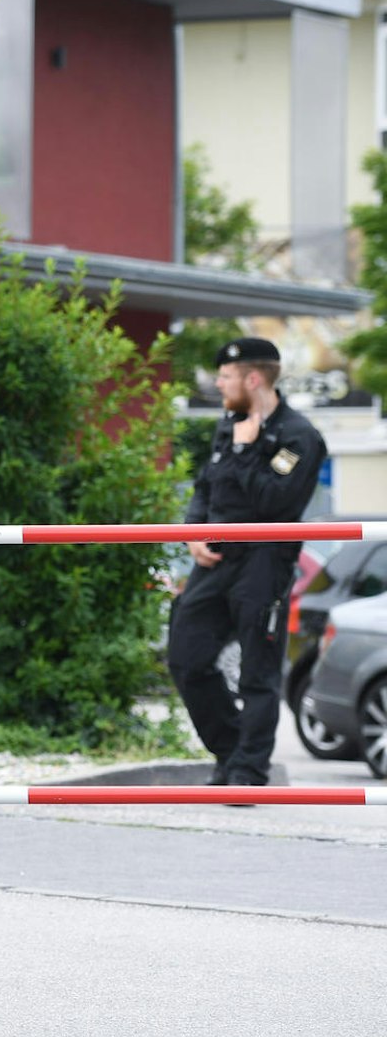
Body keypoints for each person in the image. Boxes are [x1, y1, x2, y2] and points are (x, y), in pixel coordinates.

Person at [169, 337, 326, 791]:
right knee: (186, 657)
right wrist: (193, 530)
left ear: (252, 378)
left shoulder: (298, 436)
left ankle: (247, 772)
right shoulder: (230, 424)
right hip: (215, 561)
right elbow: (205, 485)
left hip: (263, 562)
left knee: (258, 673)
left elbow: (277, 501)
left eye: (226, 376)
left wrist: (245, 451)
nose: (219, 384)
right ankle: (233, 750)